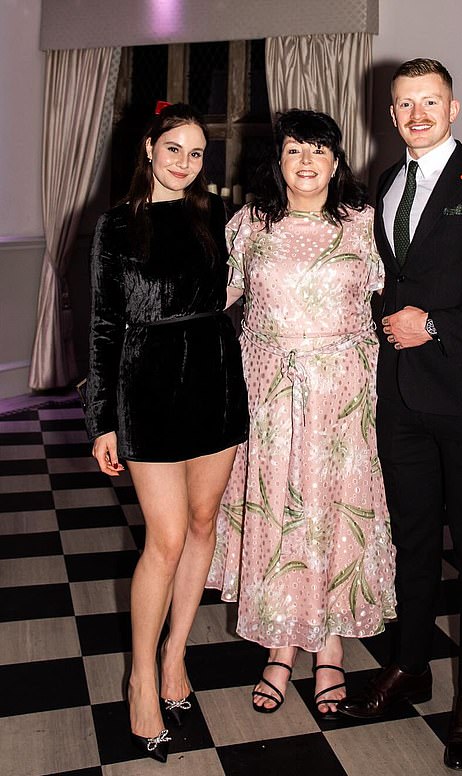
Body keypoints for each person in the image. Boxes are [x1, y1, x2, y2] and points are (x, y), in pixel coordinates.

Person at [338, 59, 462, 771]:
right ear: (390, 113)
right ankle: (409, 667)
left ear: (453, 107)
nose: (416, 114)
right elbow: (387, 284)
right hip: (400, 398)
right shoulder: (384, 186)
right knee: (413, 542)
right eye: (404, 104)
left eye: (430, 102)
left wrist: (438, 325)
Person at [207, 109, 396, 718]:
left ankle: (331, 648)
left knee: (332, 516)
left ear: (336, 162)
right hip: (270, 397)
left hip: (344, 399)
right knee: (282, 518)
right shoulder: (251, 225)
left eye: (319, 150)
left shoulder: (364, 225)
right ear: (279, 163)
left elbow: (408, 291)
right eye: (294, 150)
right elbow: (210, 300)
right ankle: (280, 646)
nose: (307, 161)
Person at [85, 103, 248, 763]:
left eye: (197, 152)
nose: (185, 162)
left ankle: (177, 656)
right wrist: (102, 420)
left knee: (205, 525)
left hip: (214, 381)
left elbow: (237, 296)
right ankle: (141, 678)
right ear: (149, 146)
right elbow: (101, 324)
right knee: (168, 537)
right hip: (148, 388)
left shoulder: (215, 217)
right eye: (174, 148)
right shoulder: (117, 225)